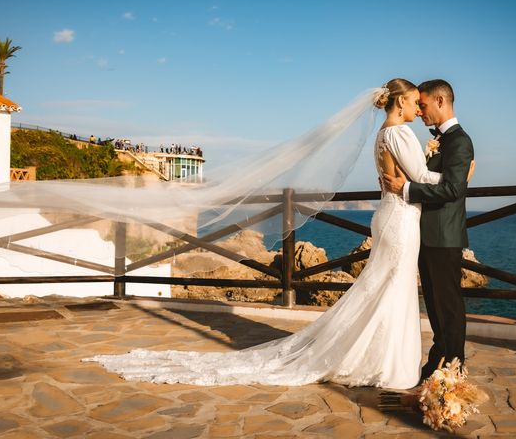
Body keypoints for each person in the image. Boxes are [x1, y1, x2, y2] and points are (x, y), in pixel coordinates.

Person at [85, 79, 465, 389]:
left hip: (390, 217)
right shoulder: (400, 135)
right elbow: (422, 179)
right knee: (392, 288)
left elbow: (408, 177)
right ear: (399, 103)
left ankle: (376, 355)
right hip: (401, 220)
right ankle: (389, 364)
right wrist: (457, 177)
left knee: (382, 287)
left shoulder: (384, 134)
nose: (420, 110)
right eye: (416, 103)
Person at [385, 79, 474, 381]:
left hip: (444, 235)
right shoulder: (439, 140)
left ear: (440, 101)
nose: (420, 112)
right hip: (425, 233)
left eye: (422, 105)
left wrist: (407, 189)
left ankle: (455, 367)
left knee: (448, 303)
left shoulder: (460, 141)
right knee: (435, 305)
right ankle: (438, 359)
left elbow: (451, 189)